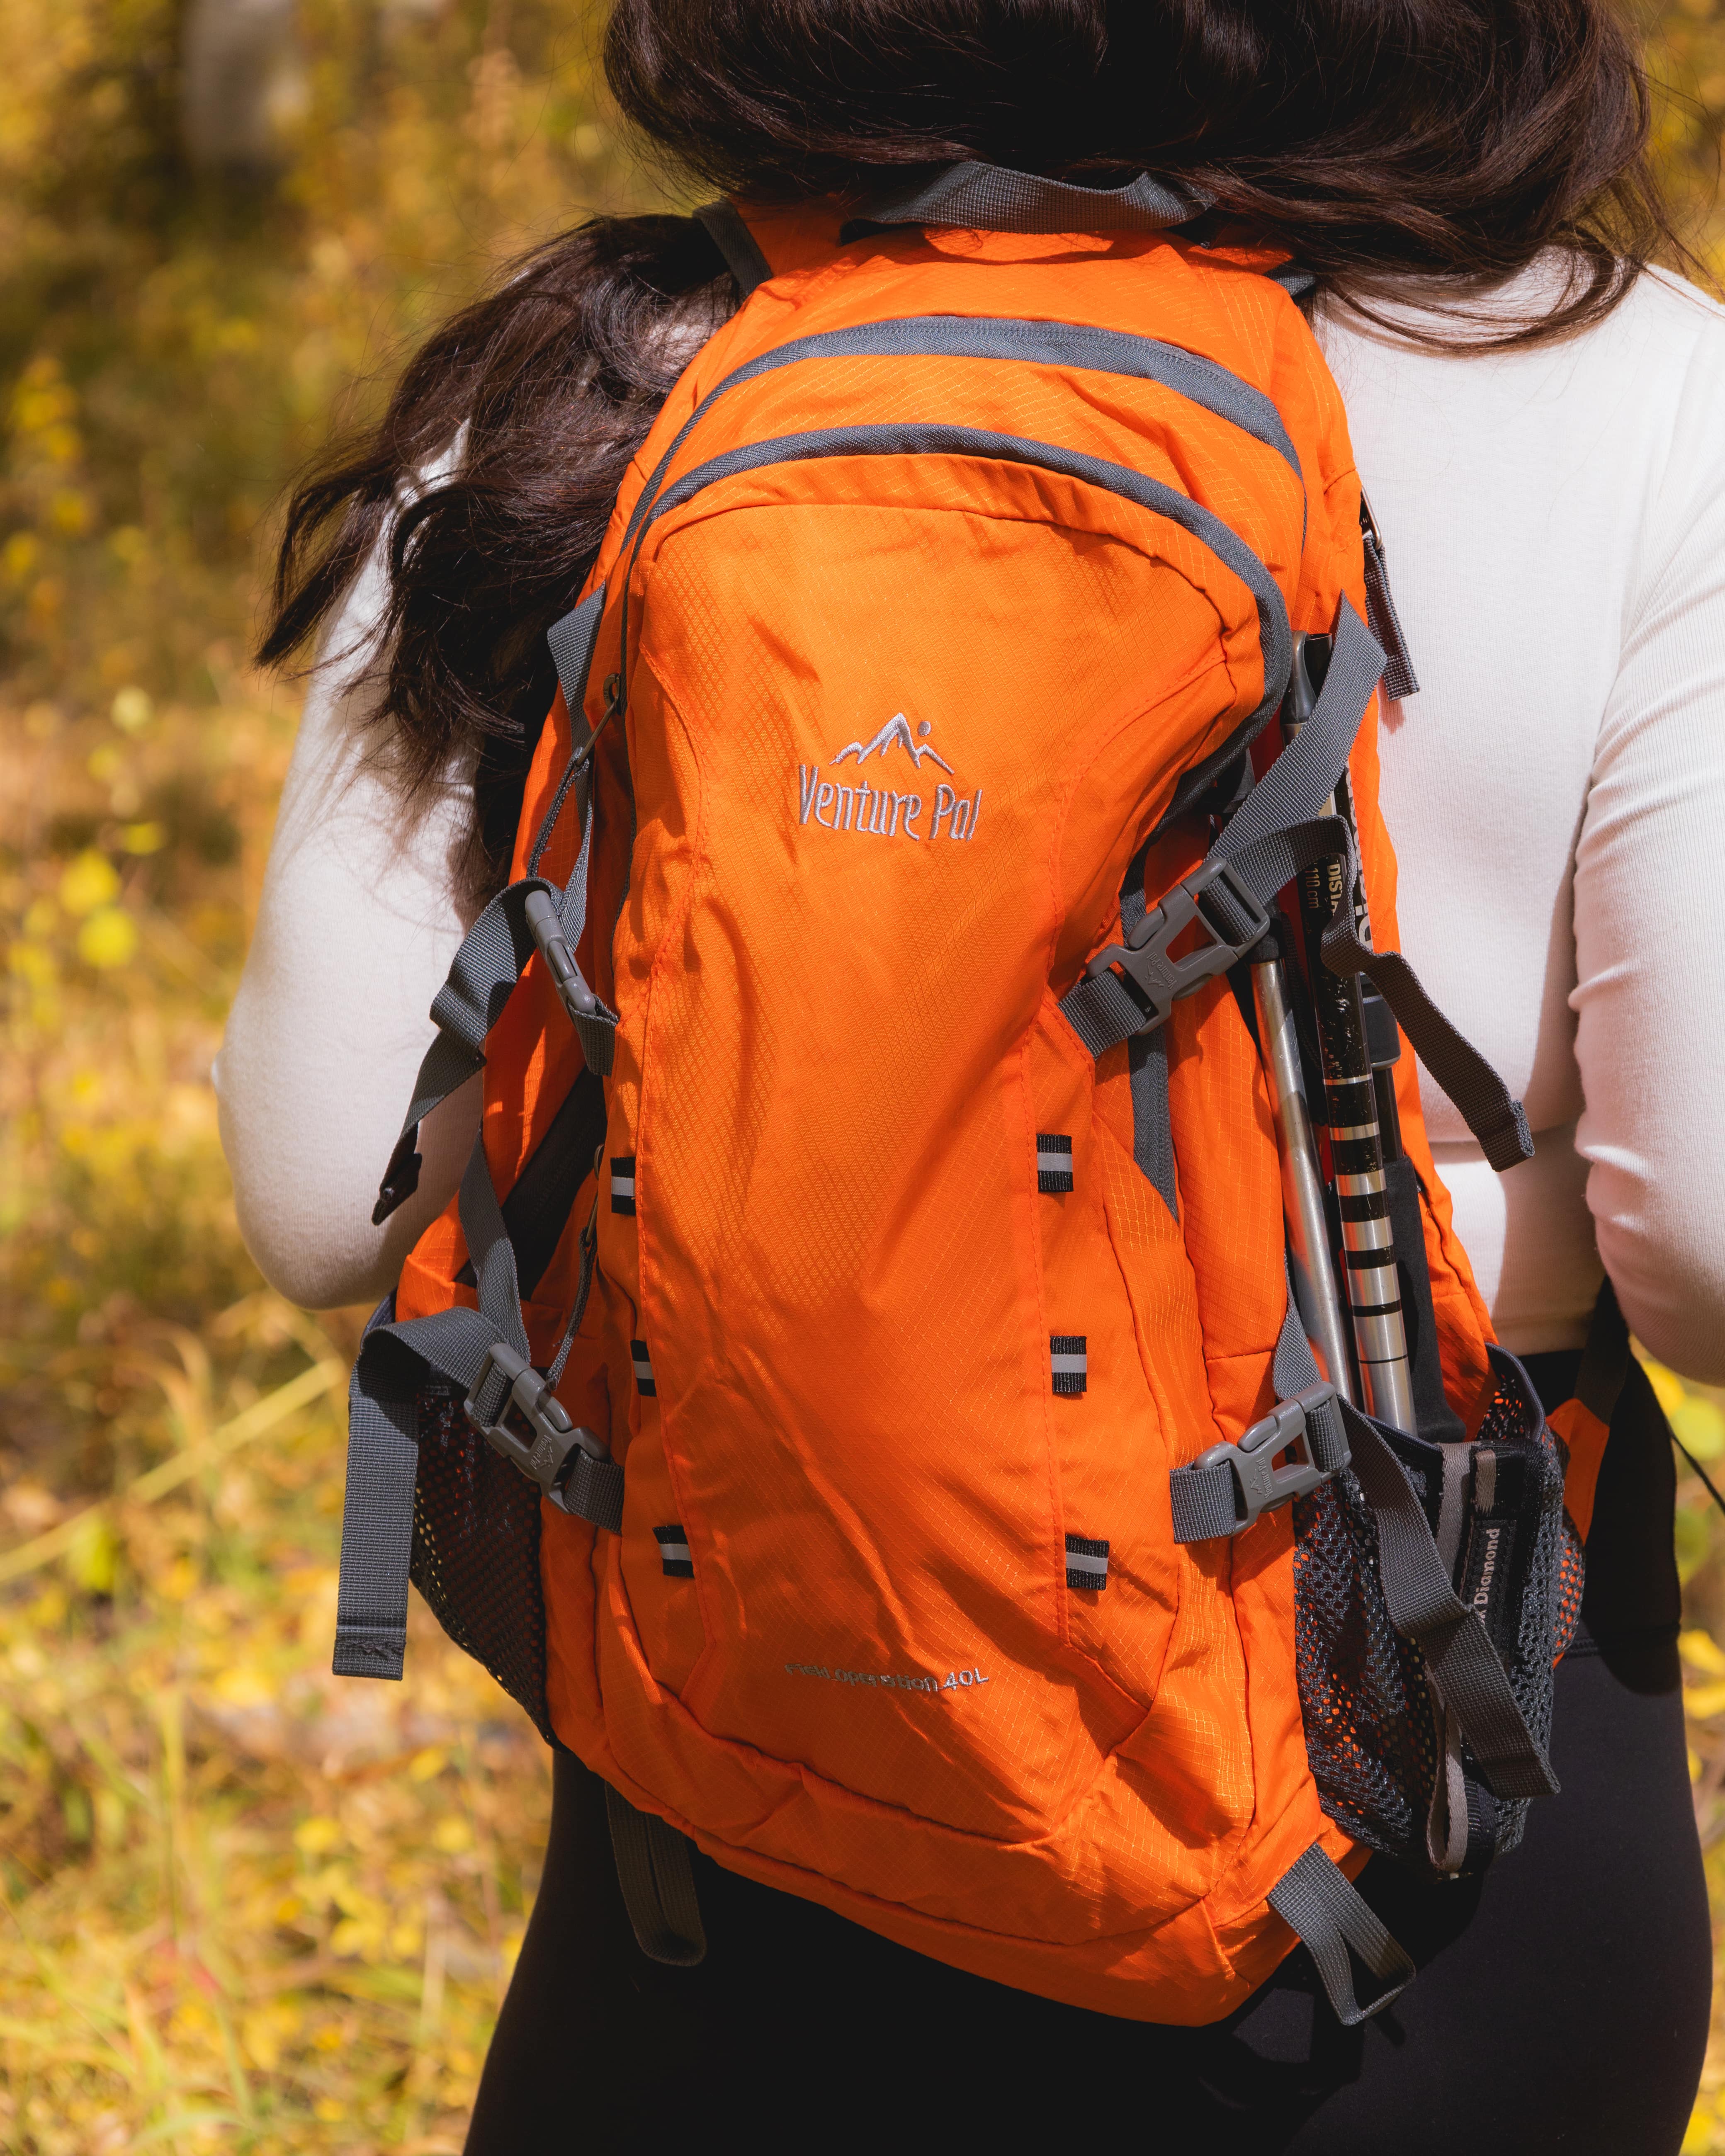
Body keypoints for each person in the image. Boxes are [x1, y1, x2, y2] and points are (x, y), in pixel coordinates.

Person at [218, 2, 1725, 2147]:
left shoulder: (619, 357)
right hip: (1412, 1811)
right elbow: (1715, 1256)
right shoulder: (1641, 383)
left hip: (741, 1815)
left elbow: (315, 1196)